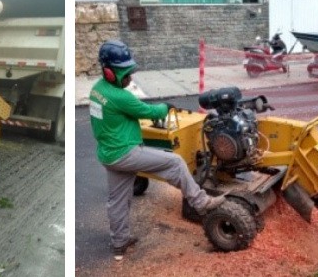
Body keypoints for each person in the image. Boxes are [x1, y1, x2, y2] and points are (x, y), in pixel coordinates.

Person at [89, 39, 225, 260]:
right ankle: (201, 202)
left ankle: (119, 243)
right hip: (125, 153)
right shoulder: (119, 96)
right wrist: (165, 107)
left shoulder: (97, 90)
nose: (130, 77)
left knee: (118, 201)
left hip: (108, 154)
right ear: (109, 72)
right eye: (125, 72)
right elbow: (147, 111)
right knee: (175, 162)